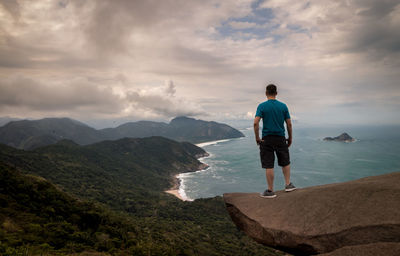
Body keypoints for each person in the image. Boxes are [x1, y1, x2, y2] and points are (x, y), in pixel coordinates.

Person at [254, 84, 296, 198]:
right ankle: (288, 185)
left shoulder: (262, 106)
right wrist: (290, 137)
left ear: (266, 93)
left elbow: (255, 123)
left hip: (267, 138)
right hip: (280, 138)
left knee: (269, 165)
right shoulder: (283, 106)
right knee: (285, 162)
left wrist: (257, 138)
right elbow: (289, 124)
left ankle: (270, 191)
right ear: (276, 93)